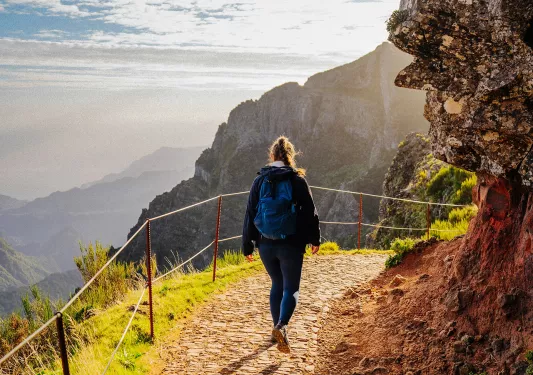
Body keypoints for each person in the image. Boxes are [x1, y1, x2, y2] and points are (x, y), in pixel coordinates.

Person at [242, 136, 320, 353]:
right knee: (291, 287)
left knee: (276, 283)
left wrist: (247, 245)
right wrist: (315, 239)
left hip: (265, 243)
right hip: (291, 243)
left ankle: (276, 330)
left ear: (272, 155)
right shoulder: (297, 180)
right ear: (290, 156)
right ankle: (282, 326)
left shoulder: (259, 180)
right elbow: (311, 213)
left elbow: (249, 213)